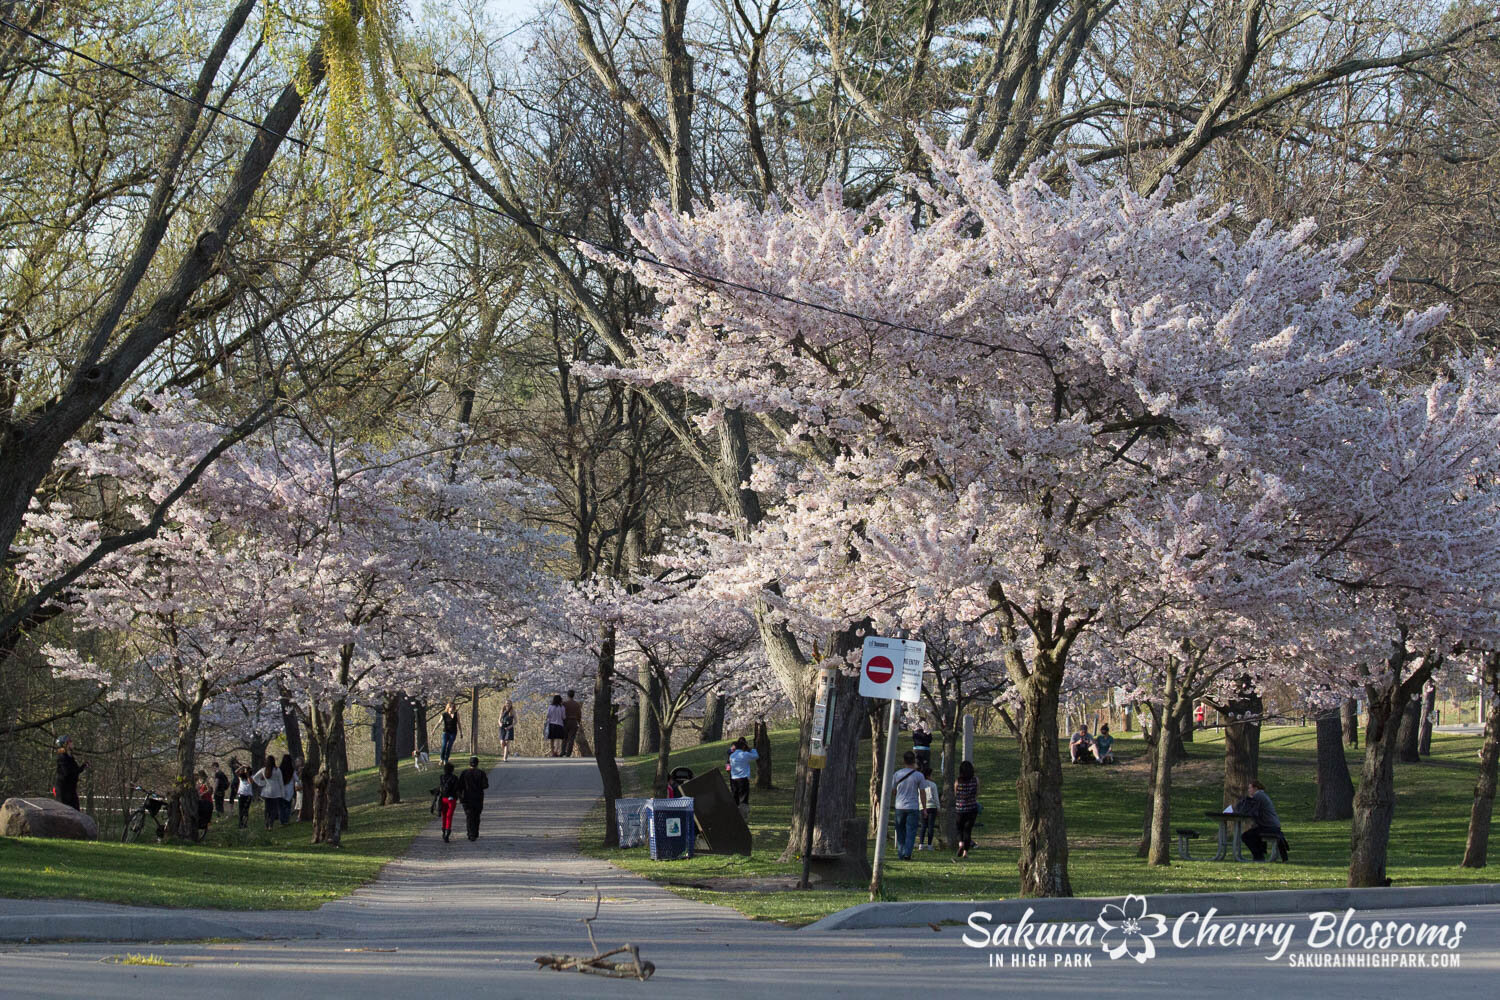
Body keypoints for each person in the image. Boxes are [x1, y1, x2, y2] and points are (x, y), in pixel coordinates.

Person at [1236, 779, 1285, 861]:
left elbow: (1251, 811)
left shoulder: (1258, 796)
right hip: (1272, 826)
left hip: (1269, 827)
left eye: (1250, 788)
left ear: (1255, 788)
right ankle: (1259, 855)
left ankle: (1258, 856)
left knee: (1246, 836)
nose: (1248, 790)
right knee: (1252, 833)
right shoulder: (1262, 795)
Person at [891, 750, 925, 861]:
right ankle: (907, 853)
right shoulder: (919, 776)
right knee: (911, 831)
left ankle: (901, 853)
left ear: (904, 761)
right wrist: (924, 808)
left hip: (900, 806)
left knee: (900, 831)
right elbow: (922, 793)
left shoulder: (897, 774)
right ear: (914, 761)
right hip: (913, 806)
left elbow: (893, 790)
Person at [457, 756, 490, 842]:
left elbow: (459, 786)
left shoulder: (464, 773)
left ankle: (470, 833)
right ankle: (475, 832)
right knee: (477, 816)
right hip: (478, 797)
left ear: (469, 763)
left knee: (469, 816)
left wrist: (460, 796)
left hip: (467, 798)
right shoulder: (481, 773)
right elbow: (485, 785)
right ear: (477, 763)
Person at [953, 760, 980, 858]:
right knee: (968, 831)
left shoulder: (957, 781)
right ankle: (965, 853)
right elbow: (977, 793)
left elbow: (955, 794)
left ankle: (960, 843)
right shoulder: (975, 780)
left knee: (959, 828)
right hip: (972, 808)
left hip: (960, 809)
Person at [52, 736, 87, 811]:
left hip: (71, 790)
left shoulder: (70, 757)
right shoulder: (62, 757)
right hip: (63, 791)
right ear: (65, 744)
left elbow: (75, 771)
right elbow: (67, 773)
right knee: (65, 813)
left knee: (76, 812)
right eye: (70, 741)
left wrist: (83, 766)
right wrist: (77, 771)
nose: (72, 743)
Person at [727, 737, 759, 816]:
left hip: (734, 779)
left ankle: (734, 814)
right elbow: (756, 756)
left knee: (735, 797)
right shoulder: (745, 754)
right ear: (743, 747)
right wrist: (751, 749)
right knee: (743, 798)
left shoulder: (732, 756)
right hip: (743, 779)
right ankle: (743, 815)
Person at [251, 754, 284, 830]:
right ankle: (271, 825)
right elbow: (281, 782)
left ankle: (266, 824)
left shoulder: (263, 770)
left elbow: (255, 777)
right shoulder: (277, 770)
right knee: (274, 809)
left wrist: (262, 783)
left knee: (267, 809)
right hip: (276, 792)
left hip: (267, 791)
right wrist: (282, 793)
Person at [917, 766, 940, 851]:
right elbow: (936, 797)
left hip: (922, 807)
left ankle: (921, 844)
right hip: (932, 807)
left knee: (923, 826)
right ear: (928, 775)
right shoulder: (933, 785)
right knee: (931, 826)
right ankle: (930, 845)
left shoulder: (920, 784)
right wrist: (938, 808)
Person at [437, 762, 460, 843]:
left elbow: (440, 787)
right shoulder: (455, 778)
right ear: (452, 770)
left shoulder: (441, 777)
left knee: (444, 815)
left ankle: (443, 831)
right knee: (449, 816)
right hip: (451, 799)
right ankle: (447, 832)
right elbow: (457, 789)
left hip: (443, 799)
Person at [439, 701, 462, 766]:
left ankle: (446, 760)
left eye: (452, 707)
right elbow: (439, 722)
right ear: (448, 708)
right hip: (445, 732)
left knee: (449, 746)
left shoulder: (456, 714)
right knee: (444, 746)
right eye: (450, 707)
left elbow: (459, 723)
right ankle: (441, 759)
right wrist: (434, 730)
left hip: (453, 732)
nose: (451, 708)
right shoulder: (444, 714)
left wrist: (461, 732)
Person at [561, 689, 583, 757]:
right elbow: (579, 714)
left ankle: (563, 751)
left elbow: (562, 713)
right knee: (571, 738)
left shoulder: (564, 704)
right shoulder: (577, 704)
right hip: (574, 721)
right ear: (574, 695)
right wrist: (578, 722)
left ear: (568, 695)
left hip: (566, 721)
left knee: (564, 738)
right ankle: (568, 753)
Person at [278, 754, 298, 825]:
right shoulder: (292, 770)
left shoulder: (279, 770)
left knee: (281, 807)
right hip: (289, 790)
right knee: (288, 806)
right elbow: (297, 779)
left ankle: (281, 820)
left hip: (281, 790)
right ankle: (286, 820)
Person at [194, 770, 214, 838]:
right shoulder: (200, 783)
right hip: (202, 800)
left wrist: (202, 793)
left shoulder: (206, 782)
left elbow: (209, 790)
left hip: (207, 801)